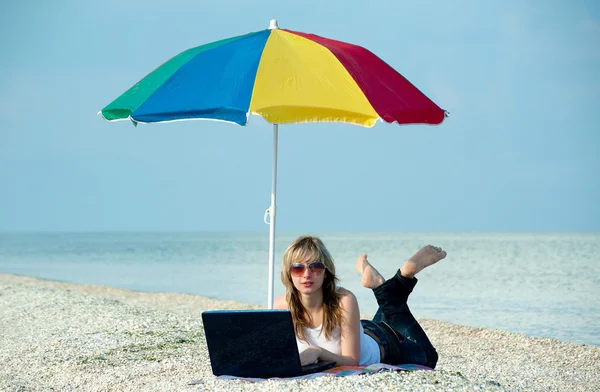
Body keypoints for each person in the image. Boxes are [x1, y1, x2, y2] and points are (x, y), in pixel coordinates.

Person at [273, 235, 445, 369]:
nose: (306, 274)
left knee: (429, 358)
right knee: (392, 302)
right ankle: (400, 278)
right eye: (298, 268)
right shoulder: (281, 306)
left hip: (385, 341)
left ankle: (390, 283)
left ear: (326, 272)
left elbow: (352, 361)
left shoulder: (343, 301)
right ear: (288, 273)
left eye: (315, 267)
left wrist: (317, 352)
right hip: (361, 330)